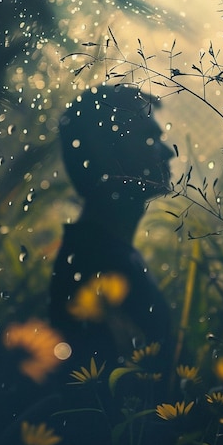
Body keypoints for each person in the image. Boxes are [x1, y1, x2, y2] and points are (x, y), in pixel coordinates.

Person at [49, 83, 173, 374]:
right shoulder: (99, 265)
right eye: (149, 138)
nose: (168, 153)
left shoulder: (97, 252)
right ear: (104, 150)